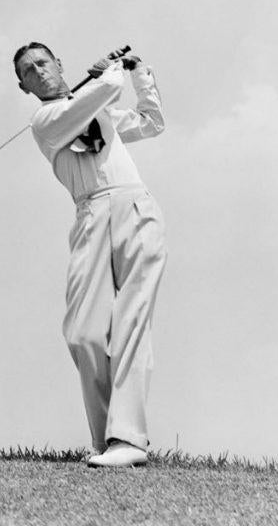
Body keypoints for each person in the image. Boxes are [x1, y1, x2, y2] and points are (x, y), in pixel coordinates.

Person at [13, 42, 167, 468]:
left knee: (132, 320)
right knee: (83, 332)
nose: (38, 72)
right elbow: (98, 96)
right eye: (28, 71)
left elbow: (152, 123)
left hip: (134, 205)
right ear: (23, 86)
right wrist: (107, 76)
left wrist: (137, 73)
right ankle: (106, 440)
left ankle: (128, 440)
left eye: (43, 62)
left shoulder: (93, 103)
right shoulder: (46, 120)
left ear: (59, 63)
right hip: (90, 212)